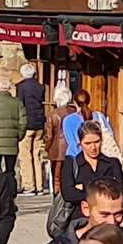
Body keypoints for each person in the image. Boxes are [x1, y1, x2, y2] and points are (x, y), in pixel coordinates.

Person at [60, 120, 123, 213]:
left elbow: (118, 191)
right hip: (79, 219)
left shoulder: (113, 163)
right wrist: (103, 193)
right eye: (88, 143)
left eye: (96, 142)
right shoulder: (71, 164)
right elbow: (68, 194)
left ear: (102, 140)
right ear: (80, 143)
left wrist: (83, 188)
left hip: (107, 218)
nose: (93, 147)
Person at [15, 64, 48, 196]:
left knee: (25, 155)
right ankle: (39, 186)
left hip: (27, 124)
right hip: (39, 123)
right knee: (37, 155)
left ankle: (29, 185)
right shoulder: (40, 87)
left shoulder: (21, 87)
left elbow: (20, 106)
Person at [45, 86, 73, 230]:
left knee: (56, 179)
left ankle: (57, 202)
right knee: (69, 176)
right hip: (70, 149)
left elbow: (49, 135)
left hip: (56, 150)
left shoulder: (53, 114)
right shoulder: (74, 112)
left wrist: (47, 147)